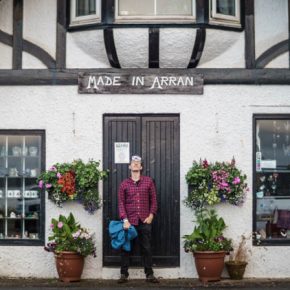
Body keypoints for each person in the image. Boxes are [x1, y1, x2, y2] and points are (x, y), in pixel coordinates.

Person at [117, 155, 158, 283]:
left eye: (138, 162)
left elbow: (154, 201)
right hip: (129, 222)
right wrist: (125, 220)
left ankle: (149, 274)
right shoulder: (124, 184)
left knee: (146, 247)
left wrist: (151, 215)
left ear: (141, 167)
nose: (135, 164)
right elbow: (121, 203)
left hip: (144, 220)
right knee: (126, 248)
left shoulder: (149, 181)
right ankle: (124, 274)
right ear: (129, 166)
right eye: (133, 162)